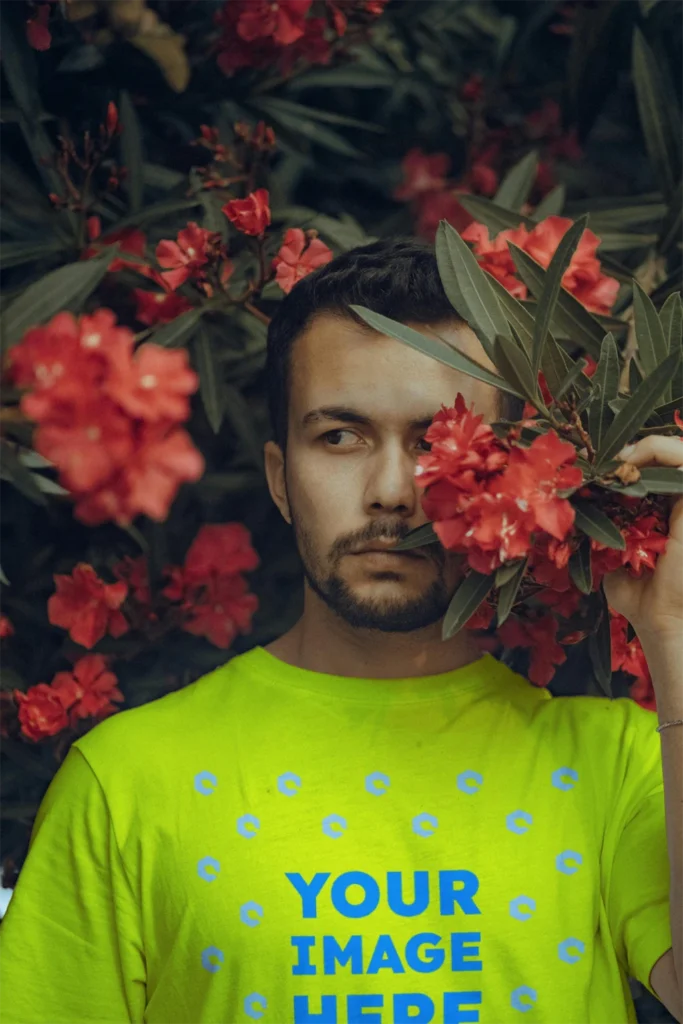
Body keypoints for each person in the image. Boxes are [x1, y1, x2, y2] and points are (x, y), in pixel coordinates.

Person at [0, 237, 682, 1024]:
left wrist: (669, 632)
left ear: (513, 472)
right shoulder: (122, 782)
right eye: (339, 437)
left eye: (435, 441)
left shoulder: (619, 764)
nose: (391, 491)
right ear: (279, 479)